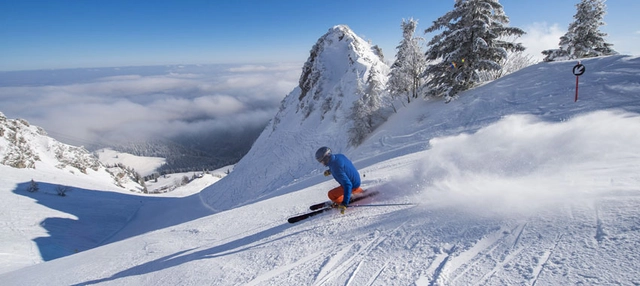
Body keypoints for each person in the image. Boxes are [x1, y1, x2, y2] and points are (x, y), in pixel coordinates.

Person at [315, 146, 363, 213]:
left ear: (325, 158)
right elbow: (342, 166)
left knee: (331, 194)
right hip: (356, 179)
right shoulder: (339, 156)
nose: (321, 163)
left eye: (321, 161)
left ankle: (341, 202)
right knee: (346, 185)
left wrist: (344, 203)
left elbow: (348, 185)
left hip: (352, 185)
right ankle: (358, 191)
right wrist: (330, 171)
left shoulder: (336, 169)